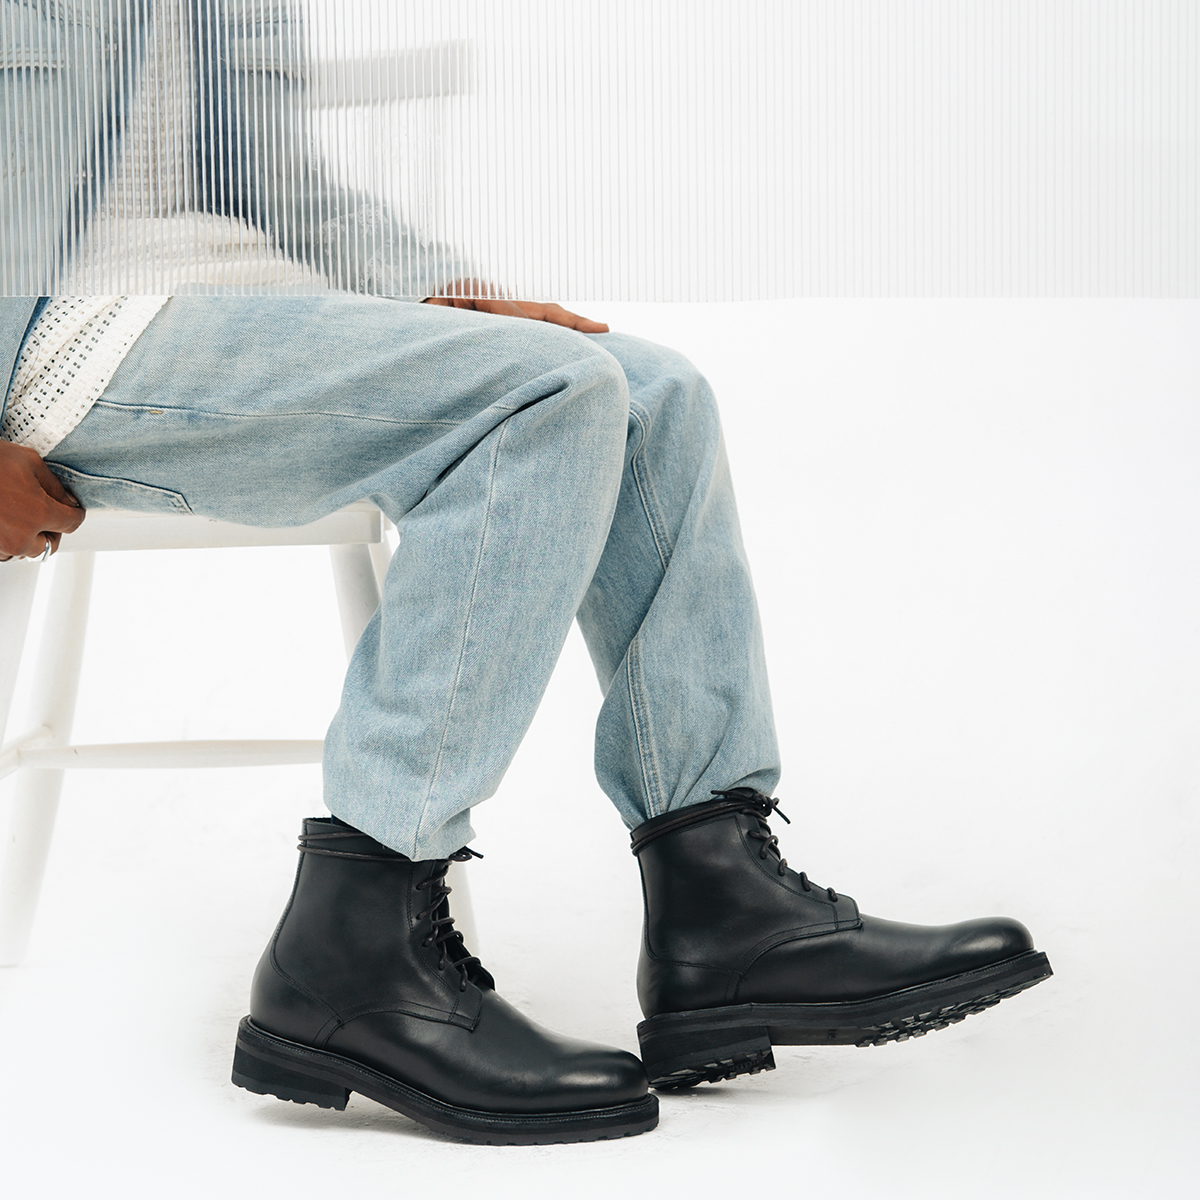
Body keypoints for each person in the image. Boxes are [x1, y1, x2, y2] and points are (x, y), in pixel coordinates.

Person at [1, 0, 1051, 1145]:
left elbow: (271, 175)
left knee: (651, 391)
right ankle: (354, 945)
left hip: (240, 298)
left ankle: (723, 907)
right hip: (61, 339)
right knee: (544, 396)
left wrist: (447, 290)